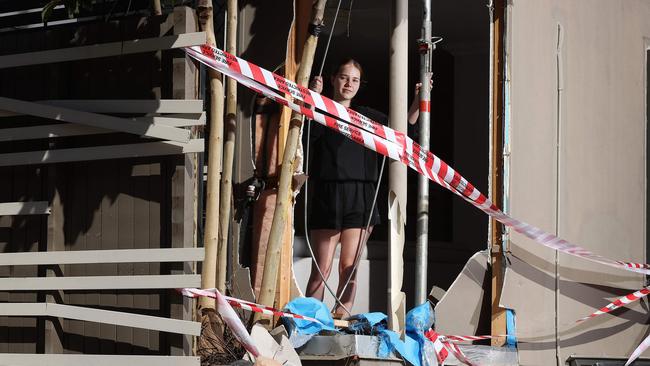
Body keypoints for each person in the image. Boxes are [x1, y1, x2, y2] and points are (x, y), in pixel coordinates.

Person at [305, 58, 422, 316]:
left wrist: (417, 101)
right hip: (328, 195)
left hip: (361, 197)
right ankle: (308, 320)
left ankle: (341, 317)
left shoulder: (367, 117)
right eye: (344, 77)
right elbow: (306, 140)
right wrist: (313, 99)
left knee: (349, 268)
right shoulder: (321, 110)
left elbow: (402, 132)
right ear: (333, 79)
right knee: (321, 268)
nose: (349, 84)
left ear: (360, 85)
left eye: (355, 79)